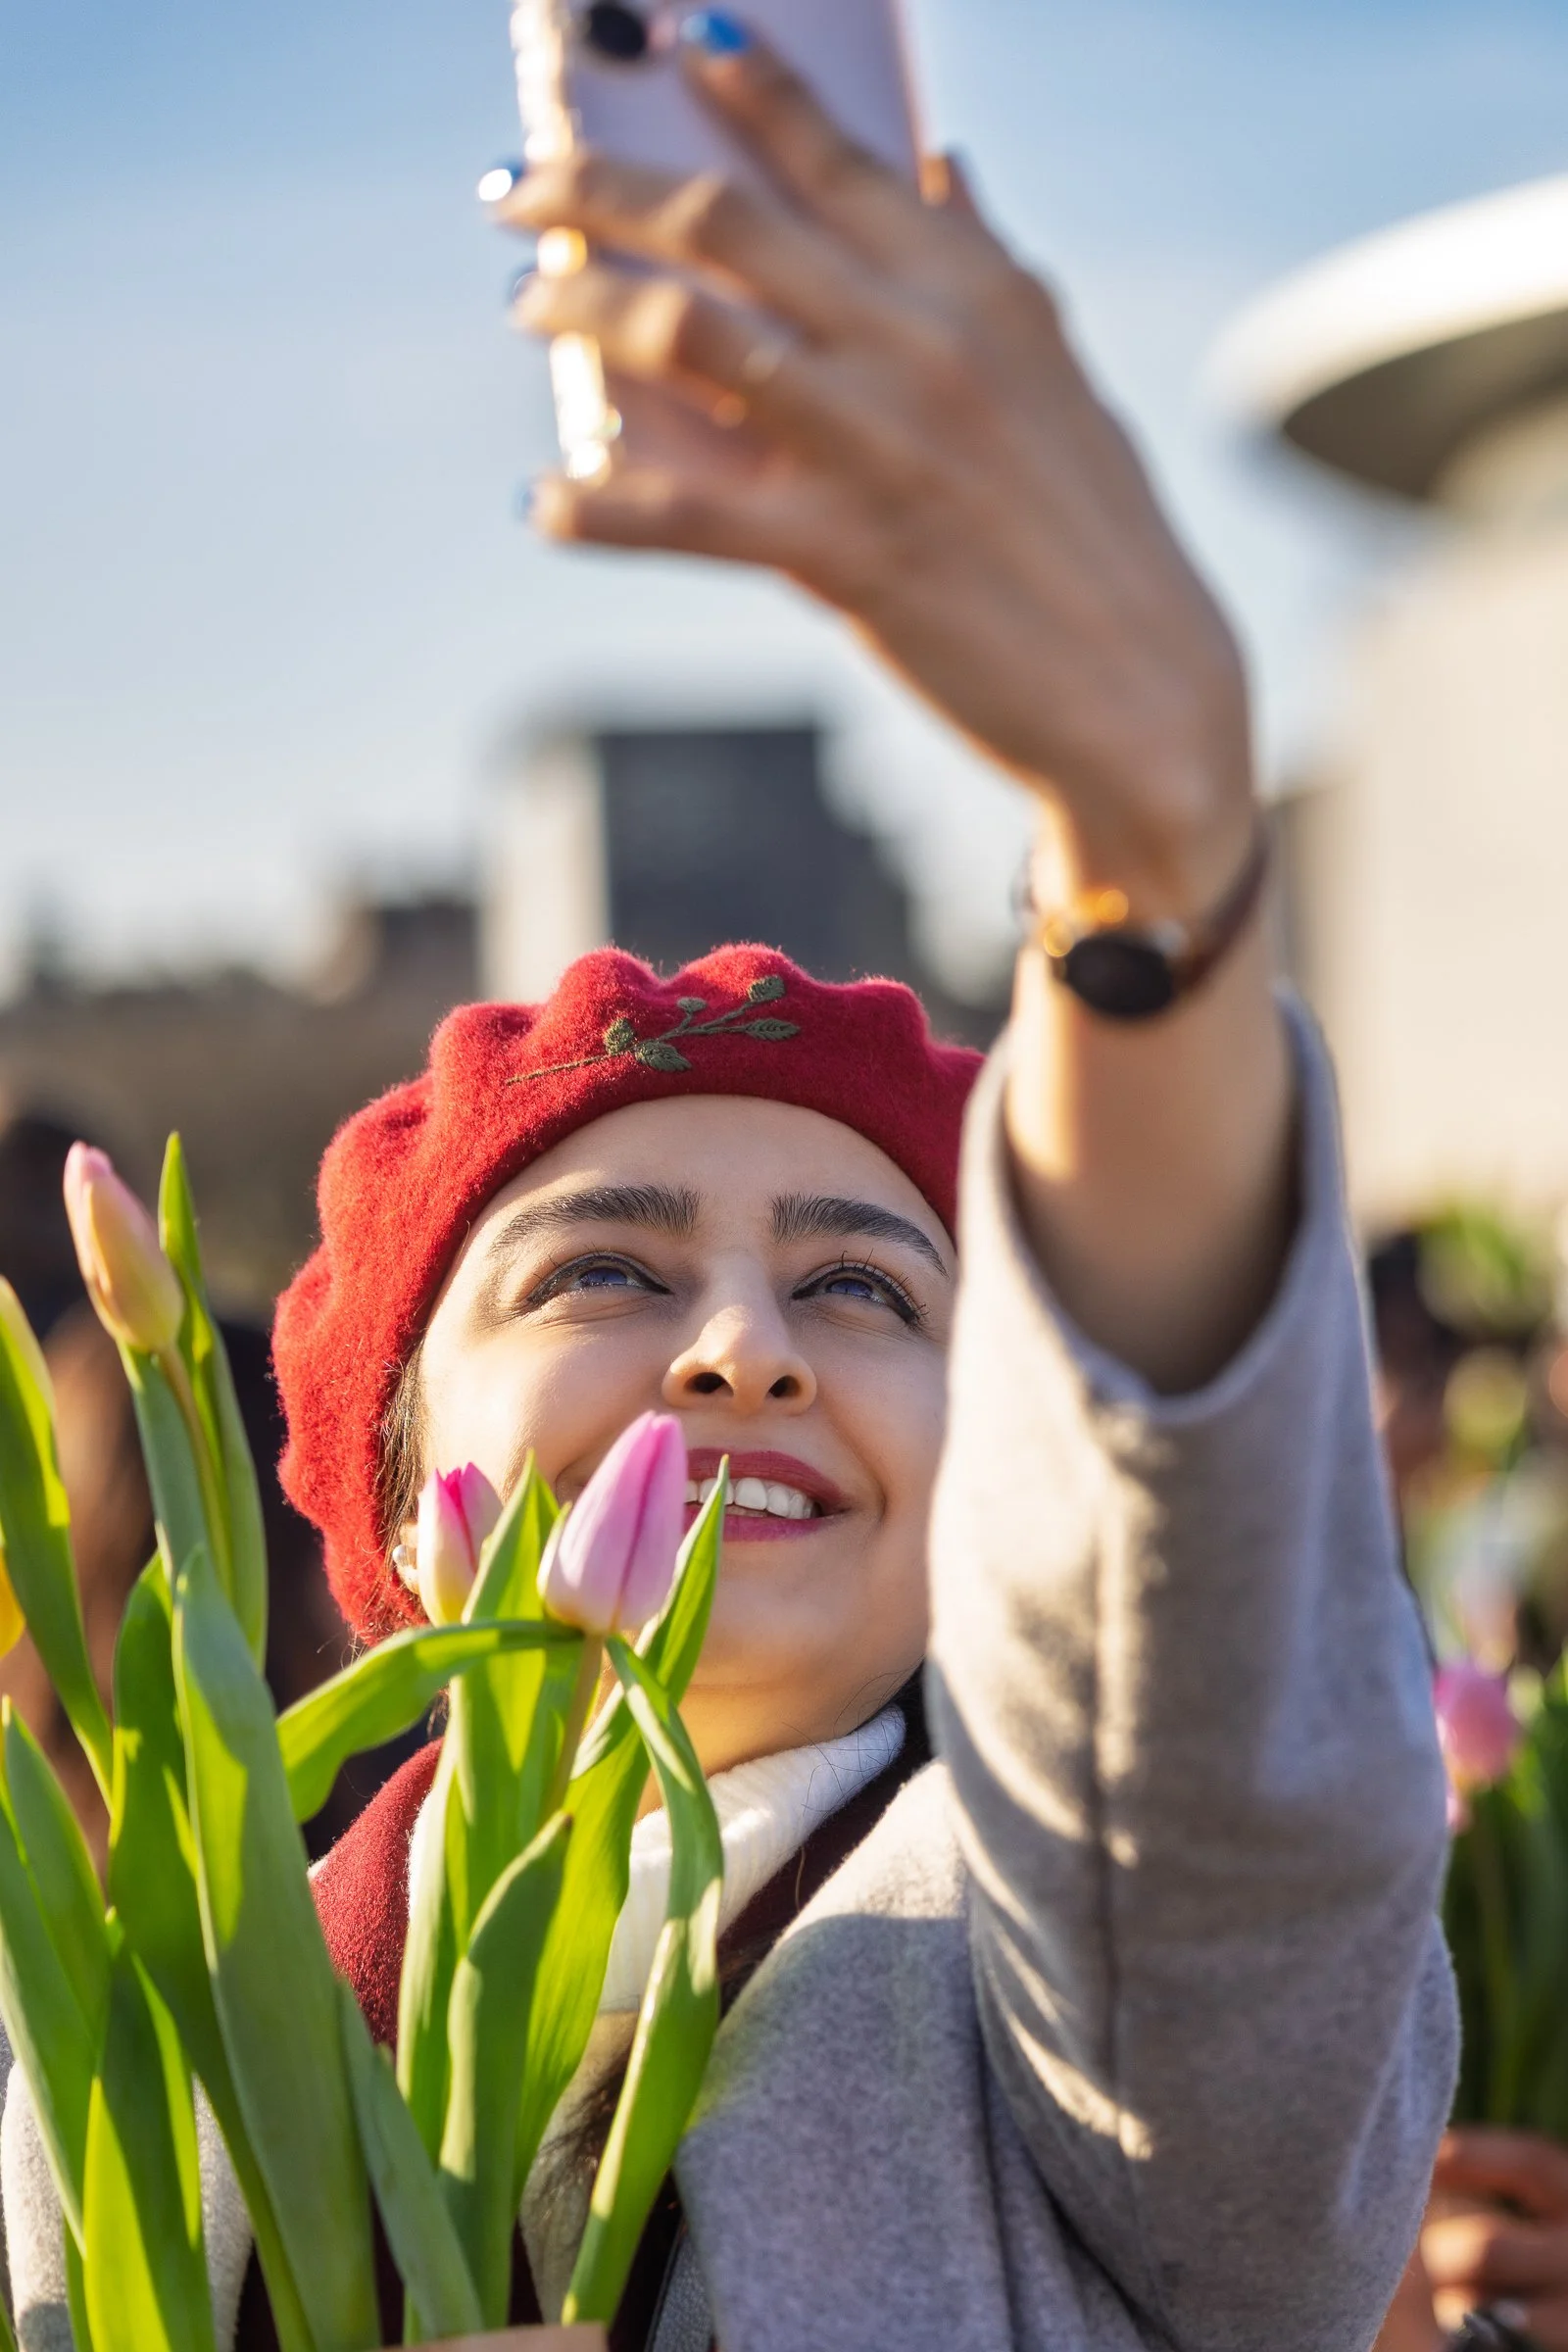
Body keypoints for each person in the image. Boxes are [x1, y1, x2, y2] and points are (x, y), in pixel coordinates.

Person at [0, 16, 1455, 2350]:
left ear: (997, 1484)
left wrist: (1149, 857)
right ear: (389, 1488)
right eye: (602, 1267)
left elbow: (1201, 1724)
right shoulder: (138, 2053)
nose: (744, 1345)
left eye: (869, 1287)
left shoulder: (1092, 2012)